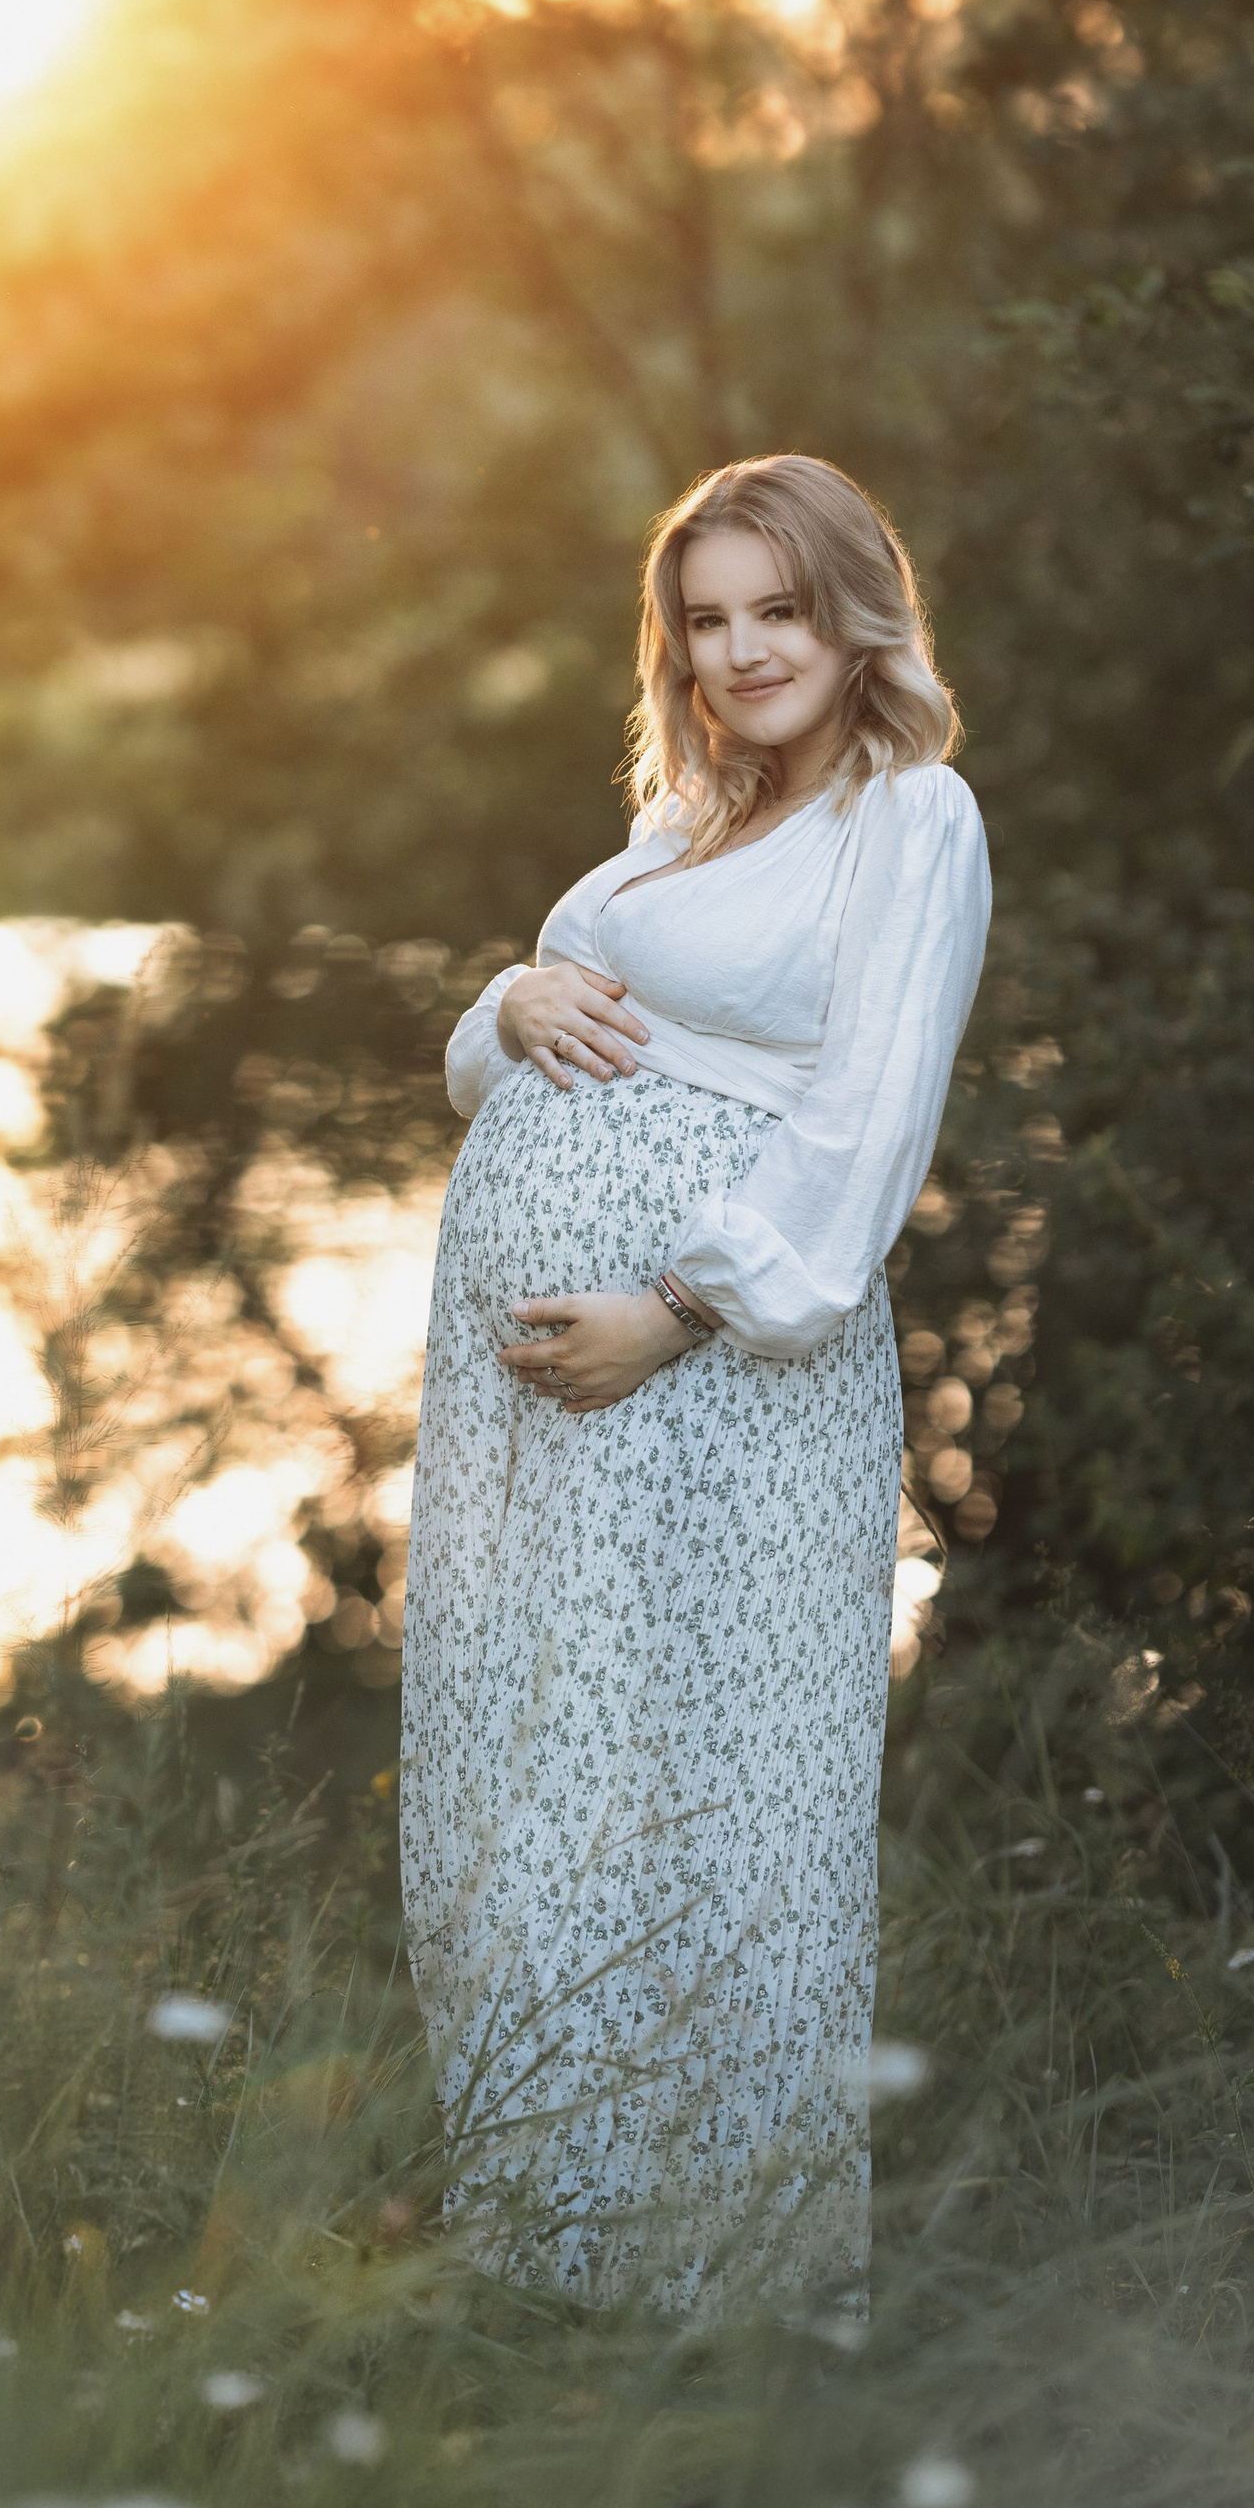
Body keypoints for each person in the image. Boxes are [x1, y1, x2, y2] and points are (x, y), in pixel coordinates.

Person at [396, 453, 990, 2316]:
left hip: (724, 1379)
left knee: (713, 1792)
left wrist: (674, 1306)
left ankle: (717, 2291)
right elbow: (506, 1049)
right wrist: (505, 1002)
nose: (742, 652)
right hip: (550, 1412)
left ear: (854, 614)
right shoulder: (686, 822)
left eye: (778, 611)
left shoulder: (910, 818)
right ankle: (545, 2247)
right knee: (537, 1781)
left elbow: (866, 1124)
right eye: (707, 619)